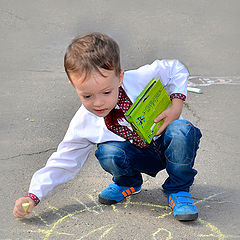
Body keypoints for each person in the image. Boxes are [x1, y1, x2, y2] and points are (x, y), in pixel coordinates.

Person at [13, 32, 202, 221]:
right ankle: (128, 182)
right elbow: (64, 160)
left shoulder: (138, 78)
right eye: (87, 96)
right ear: (74, 85)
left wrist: (176, 105)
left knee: (182, 130)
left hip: (169, 146)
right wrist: (33, 196)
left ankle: (178, 189)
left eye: (106, 91)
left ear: (119, 78)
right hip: (135, 156)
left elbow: (175, 68)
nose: (98, 103)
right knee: (108, 152)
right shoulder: (84, 121)